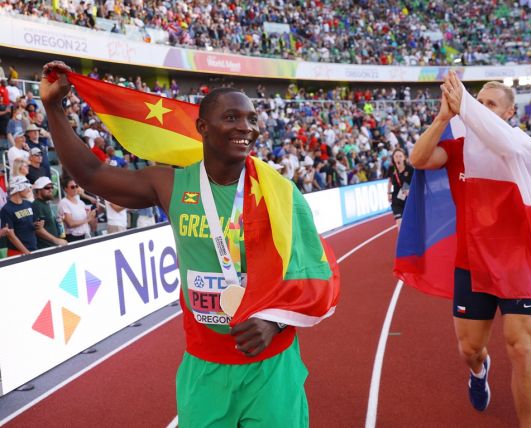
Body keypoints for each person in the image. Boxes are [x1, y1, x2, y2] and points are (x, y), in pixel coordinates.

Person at [40, 61, 339, 427]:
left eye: (251, 119)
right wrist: (53, 108)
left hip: (270, 365)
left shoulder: (279, 192)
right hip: (205, 368)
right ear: (202, 127)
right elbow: (91, 174)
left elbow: (312, 269)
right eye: (231, 118)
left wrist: (274, 323)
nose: (245, 127)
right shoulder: (171, 185)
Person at [409, 71, 531, 427]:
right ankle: (480, 370)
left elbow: (505, 143)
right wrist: (443, 117)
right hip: (471, 262)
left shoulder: (523, 145)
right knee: (470, 349)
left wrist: (467, 107)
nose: (480, 110)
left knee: (521, 346)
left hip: (518, 263)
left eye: (489, 105)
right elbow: (418, 160)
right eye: (477, 102)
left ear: (509, 113)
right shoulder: (457, 149)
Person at [0, 175, 41, 256]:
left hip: (32, 248)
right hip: (17, 253)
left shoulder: (28, 204)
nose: (29, 190)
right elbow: (11, 236)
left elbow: (32, 225)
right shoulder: (6, 209)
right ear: (19, 188)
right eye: (27, 187)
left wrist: (38, 225)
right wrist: (27, 252)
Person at [32, 176, 67, 249]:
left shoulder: (45, 203)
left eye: (52, 187)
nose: (51, 190)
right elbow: (38, 230)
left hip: (52, 246)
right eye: (47, 188)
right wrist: (56, 240)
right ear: (38, 190)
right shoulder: (36, 205)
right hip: (45, 248)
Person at [58, 178, 94, 242]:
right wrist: (87, 219)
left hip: (85, 235)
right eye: (72, 187)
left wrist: (90, 215)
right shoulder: (63, 202)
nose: (75, 188)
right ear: (65, 189)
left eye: (76, 186)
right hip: (73, 237)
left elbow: (86, 219)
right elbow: (70, 223)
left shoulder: (80, 202)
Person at [387, 148, 413, 226]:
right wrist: (388, 193)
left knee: (409, 224)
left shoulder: (410, 169)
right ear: (393, 158)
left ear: (404, 157)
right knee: (400, 223)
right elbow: (390, 181)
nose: (398, 158)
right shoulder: (391, 169)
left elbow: (415, 183)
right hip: (396, 201)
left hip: (408, 200)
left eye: (400, 156)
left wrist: (409, 190)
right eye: (396, 156)